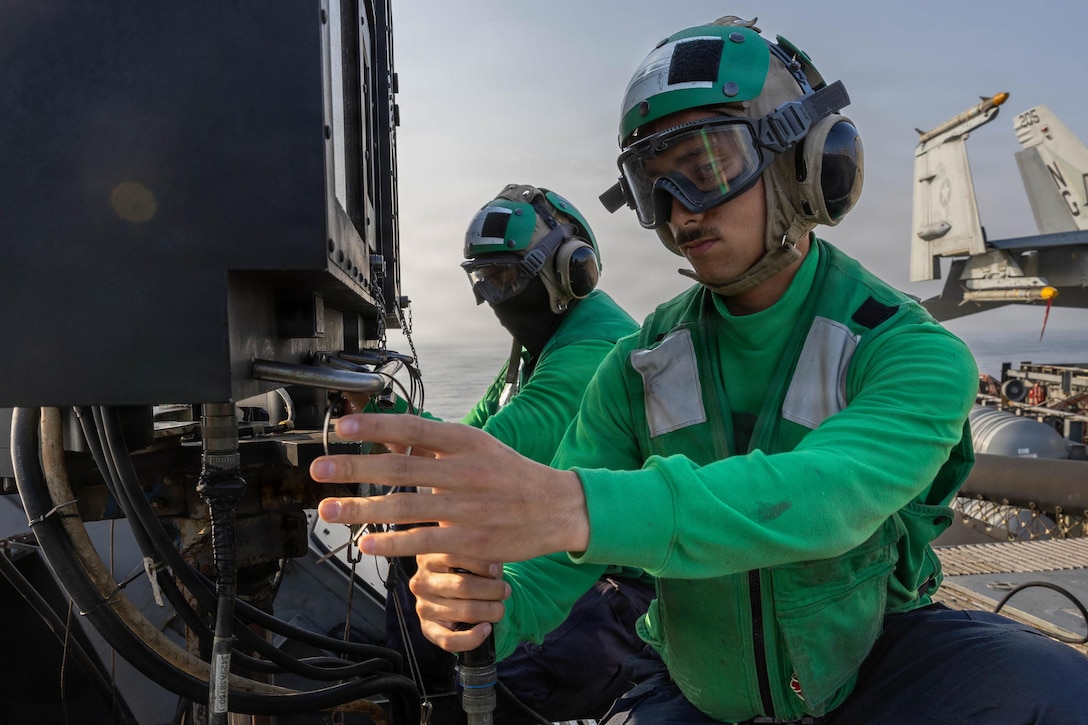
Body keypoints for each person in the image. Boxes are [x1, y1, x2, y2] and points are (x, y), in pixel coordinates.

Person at [312, 16, 1088, 724]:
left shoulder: (908, 350)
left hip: (875, 665)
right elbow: (544, 572)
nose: (682, 211)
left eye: (707, 165)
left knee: (1059, 690)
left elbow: (830, 497)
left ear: (807, 161)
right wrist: (485, 603)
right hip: (691, 688)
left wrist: (571, 502)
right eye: (656, 185)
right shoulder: (637, 367)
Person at [353, 183, 653, 724]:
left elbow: (484, 455)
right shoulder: (537, 353)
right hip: (562, 563)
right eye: (485, 280)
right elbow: (470, 434)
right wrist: (378, 407)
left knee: (497, 671)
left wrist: (380, 421)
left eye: (509, 277)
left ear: (571, 271)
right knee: (418, 563)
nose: (497, 295)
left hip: (626, 592)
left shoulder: (594, 353)